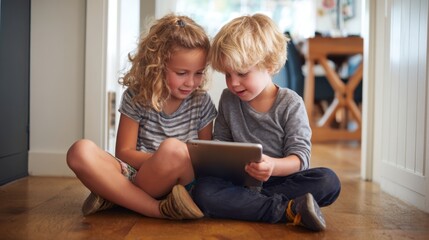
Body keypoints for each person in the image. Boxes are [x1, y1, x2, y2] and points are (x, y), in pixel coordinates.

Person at [191, 14, 341, 231]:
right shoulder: (228, 99)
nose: (233, 83)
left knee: (328, 181)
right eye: (227, 74)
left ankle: (257, 206)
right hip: (240, 183)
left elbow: (300, 159)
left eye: (242, 73)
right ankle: (287, 210)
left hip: (281, 182)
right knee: (204, 190)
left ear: (269, 65)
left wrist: (273, 166)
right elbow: (221, 144)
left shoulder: (290, 103)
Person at [66, 13, 217, 220]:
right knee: (79, 151)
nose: (191, 82)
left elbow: (205, 158)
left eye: (198, 73)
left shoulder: (201, 101)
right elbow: (125, 152)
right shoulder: (137, 96)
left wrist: (171, 159)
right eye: (182, 73)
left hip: (179, 184)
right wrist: (159, 160)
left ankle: (118, 196)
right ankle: (157, 209)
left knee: (173, 148)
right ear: (158, 66)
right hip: (139, 174)